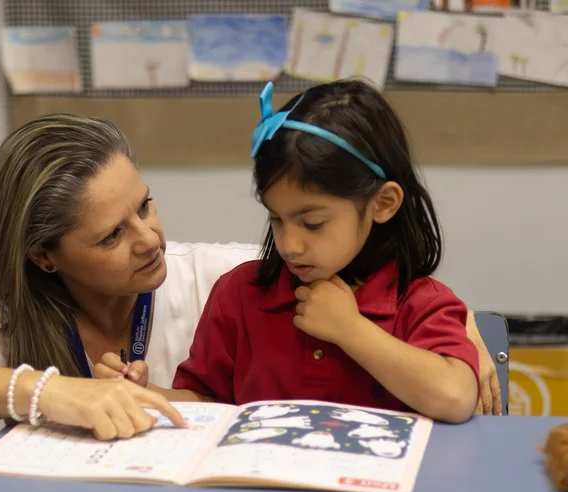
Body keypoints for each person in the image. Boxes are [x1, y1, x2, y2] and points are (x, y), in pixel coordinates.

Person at [0, 109, 500, 442]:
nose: (151, 239)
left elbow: (371, 287)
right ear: (45, 256)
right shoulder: (3, 309)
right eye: (111, 235)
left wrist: (464, 329)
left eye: (145, 204)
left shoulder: (223, 275)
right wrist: (58, 392)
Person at [97, 80, 488, 424]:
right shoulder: (239, 294)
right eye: (276, 220)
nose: (289, 244)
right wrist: (146, 397)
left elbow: (454, 398)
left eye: (313, 223)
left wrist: (351, 331)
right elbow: (205, 403)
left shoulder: (419, 303)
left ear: (383, 203)